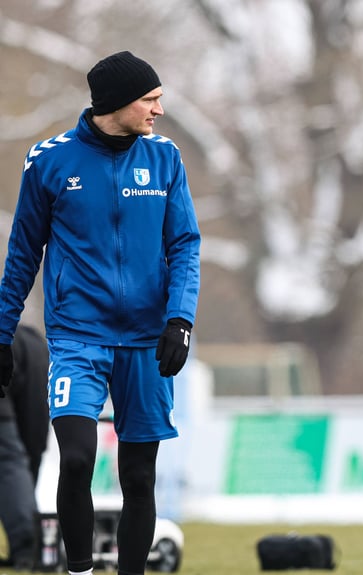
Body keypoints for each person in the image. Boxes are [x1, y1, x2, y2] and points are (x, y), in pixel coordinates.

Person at [0, 51, 201, 575]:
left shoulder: (165, 159)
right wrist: (1, 334)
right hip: (76, 339)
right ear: (117, 103)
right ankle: (81, 571)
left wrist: (180, 318)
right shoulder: (49, 160)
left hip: (146, 340)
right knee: (77, 459)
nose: (160, 108)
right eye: (151, 99)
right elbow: (24, 253)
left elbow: (184, 245)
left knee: (139, 477)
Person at [0, 324, 49, 571]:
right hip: (31, 345)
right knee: (26, 453)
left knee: (9, 458)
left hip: (21, 345)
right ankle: (32, 543)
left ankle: (28, 545)